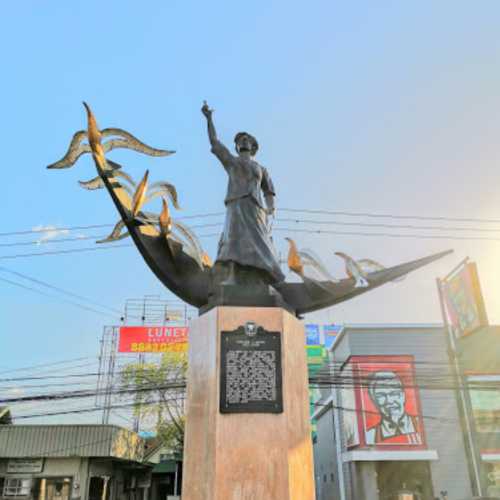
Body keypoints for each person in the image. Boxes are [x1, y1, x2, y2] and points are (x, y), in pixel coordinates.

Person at [201, 101, 285, 285]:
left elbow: (269, 190)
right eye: (240, 141)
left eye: (247, 139)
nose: (243, 141)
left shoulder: (261, 168)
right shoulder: (231, 161)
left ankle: (264, 274)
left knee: (259, 239)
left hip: (255, 208)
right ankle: (232, 275)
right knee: (234, 239)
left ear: (253, 146)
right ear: (237, 147)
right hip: (235, 204)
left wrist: (270, 208)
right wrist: (209, 119)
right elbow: (215, 142)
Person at [365, 371, 422, 445]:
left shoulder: (420, 425)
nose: (389, 401)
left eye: (394, 394)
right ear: (374, 401)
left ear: (403, 396)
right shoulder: (370, 436)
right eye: (381, 395)